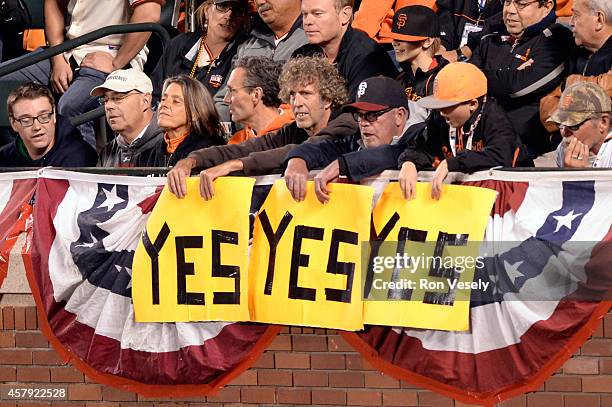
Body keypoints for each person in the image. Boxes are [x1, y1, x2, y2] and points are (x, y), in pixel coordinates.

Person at [166, 56, 347, 199]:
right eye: (292, 95)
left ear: (327, 99)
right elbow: (246, 148)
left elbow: (306, 148)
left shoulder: (346, 124)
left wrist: (235, 165)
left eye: (306, 94)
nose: (296, 103)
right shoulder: (293, 131)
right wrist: (191, 160)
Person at [0, 0, 163, 149]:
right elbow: (53, 3)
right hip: (69, 51)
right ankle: (24, 166)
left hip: (109, 55)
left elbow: (149, 11)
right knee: (3, 83)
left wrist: (117, 63)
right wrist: (58, 58)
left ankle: (82, 176)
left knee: (71, 106)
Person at [397, 62, 531, 200]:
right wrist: (409, 163)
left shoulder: (495, 117)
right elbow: (421, 146)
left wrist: (452, 163)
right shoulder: (440, 117)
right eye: (438, 106)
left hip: (511, 199)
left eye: (447, 106)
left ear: (472, 104)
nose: (442, 112)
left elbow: (500, 155)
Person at [283, 76, 419, 203]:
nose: (364, 122)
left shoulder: (421, 136)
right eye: (360, 115)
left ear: (399, 116)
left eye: (372, 115)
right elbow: (326, 148)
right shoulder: (358, 138)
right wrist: (298, 159)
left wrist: (343, 164)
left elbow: (396, 152)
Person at [469, 0, 573, 157]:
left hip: (527, 152)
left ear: (546, 7)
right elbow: (465, 81)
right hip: (477, 142)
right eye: (507, 2)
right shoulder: (491, 36)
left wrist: (501, 79)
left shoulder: (557, 39)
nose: (510, 10)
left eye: (521, 4)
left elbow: (517, 88)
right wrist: (510, 75)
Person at [213, 0, 308, 121]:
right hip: (243, 136)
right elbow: (224, 101)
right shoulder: (247, 46)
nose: (260, 2)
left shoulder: (315, 39)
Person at [293, 0, 398, 101]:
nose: (307, 22)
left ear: (345, 15)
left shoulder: (367, 56)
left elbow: (354, 114)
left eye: (317, 14)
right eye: (304, 14)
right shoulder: (302, 55)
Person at [151, 0, 249, 101]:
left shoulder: (243, 55)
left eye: (237, 10)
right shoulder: (178, 44)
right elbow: (154, 94)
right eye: (222, 7)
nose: (229, 16)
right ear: (206, 11)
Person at [540, 0, 612, 131]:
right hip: (569, 143)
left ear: (599, 19)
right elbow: (546, 110)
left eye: (576, 15)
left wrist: (570, 84)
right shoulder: (577, 54)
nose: (570, 22)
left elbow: (607, 89)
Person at [135, 75, 226, 167]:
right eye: (163, 99)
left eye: (176, 101)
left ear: (195, 112)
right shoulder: (145, 157)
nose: (164, 105)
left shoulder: (210, 152)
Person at [0, 82, 97, 166]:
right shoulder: (4, 158)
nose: (37, 127)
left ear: (54, 115)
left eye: (44, 116)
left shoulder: (80, 157)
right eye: (26, 120)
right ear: (13, 123)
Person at [386, 5, 448, 128]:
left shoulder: (445, 78)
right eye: (395, 37)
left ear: (427, 41)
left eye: (403, 38)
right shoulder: (400, 79)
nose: (394, 43)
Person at [90, 69, 163, 167]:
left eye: (118, 98)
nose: (108, 106)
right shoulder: (107, 152)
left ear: (145, 101)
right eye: (105, 100)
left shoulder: (169, 144)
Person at [224, 56, 294, 144]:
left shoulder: (297, 135)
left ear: (256, 95)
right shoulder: (235, 143)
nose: (225, 100)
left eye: (232, 91)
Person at [549, 82, 612, 168]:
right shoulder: (563, 149)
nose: (564, 132)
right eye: (560, 123)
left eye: (573, 124)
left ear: (603, 122)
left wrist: (576, 176)